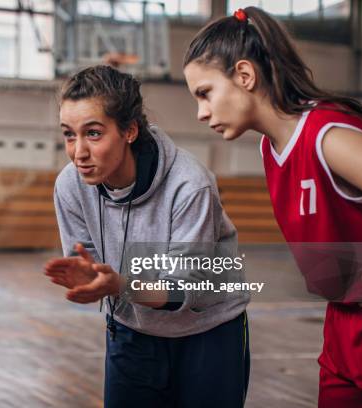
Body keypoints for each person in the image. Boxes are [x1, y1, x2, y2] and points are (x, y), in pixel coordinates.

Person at [183, 7, 362, 407]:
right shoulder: (272, 147)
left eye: (205, 93)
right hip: (344, 325)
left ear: (245, 76)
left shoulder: (327, 135)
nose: (201, 112)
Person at [44, 65, 250, 407]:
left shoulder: (190, 184)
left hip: (209, 333)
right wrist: (90, 276)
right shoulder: (70, 185)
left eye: (93, 133)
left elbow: (185, 287)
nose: (78, 151)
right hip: (132, 328)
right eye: (69, 134)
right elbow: (92, 263)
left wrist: (119, 285)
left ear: (129, 131)